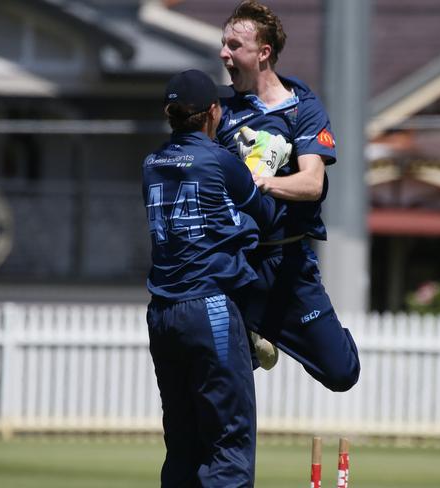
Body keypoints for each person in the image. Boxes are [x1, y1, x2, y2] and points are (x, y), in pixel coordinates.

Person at [142, 69, 284, 487]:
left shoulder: (150, 163)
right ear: (213, 112)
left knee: (183, 445)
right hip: (210, 310)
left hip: (162, 314)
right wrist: (264, 165)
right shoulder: (220, 160)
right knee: (228, 443)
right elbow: (267, 216)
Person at [215, 0, 360, 392]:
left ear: (264, 53)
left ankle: (270, 331)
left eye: (234, 46)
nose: (224, 53)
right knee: (221, 378)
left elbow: (312, 184)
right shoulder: (221, 110)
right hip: (235, 260)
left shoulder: (302, 108)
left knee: (342, 373)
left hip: (287, 263)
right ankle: (253, 333)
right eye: (223, 43)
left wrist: (261, 183)